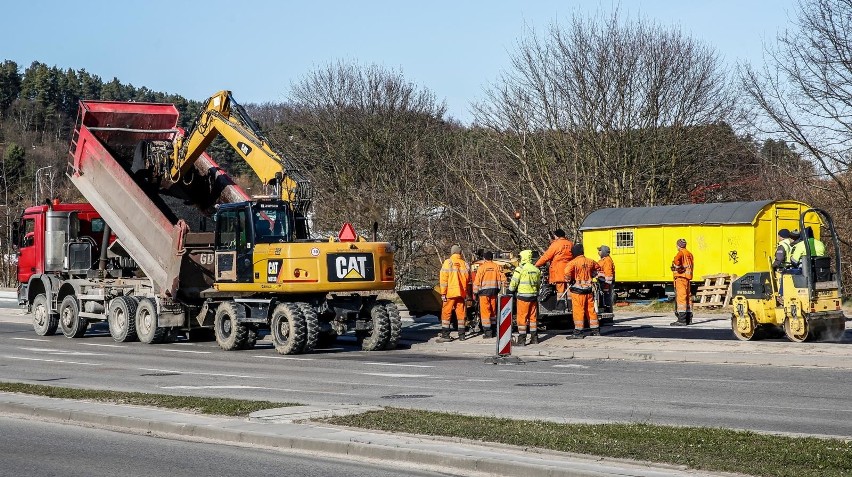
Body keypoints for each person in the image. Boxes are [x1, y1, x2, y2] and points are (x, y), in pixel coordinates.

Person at [564, 243, 602, 339]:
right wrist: (592, 275)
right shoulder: (590, 261)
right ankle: (595, 330)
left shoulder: (573, 263)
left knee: (578, 311)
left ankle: (578, 332)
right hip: (588, 290)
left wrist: (569, 280)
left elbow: (566, 273)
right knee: (591, 310)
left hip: (577, 291)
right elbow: (598, 268)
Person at [438, 244, 471, 342]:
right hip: (461, 293)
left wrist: (443, 293)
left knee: (446, 313)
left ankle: (445, 335)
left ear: (452, 252)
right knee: (461, 314)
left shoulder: (448, 262)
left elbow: (444, 279)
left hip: (450, 293)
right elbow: (468, 279)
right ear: (460, 253)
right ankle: (462, 335)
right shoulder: (464, 264)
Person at [508, 249, 542, 346]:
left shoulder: (520, 269)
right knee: (533, 318)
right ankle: (534, 338)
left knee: (522, 318)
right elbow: (538, 284)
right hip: (533, 296)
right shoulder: (536, 269)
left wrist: (510, 290)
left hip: (523, 297)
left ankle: (522, 340)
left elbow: (514, 282)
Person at [534, 229, 574, 305]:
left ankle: (561, 306)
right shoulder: (570, 244)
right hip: (569, 270)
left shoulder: (556, 244)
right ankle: (570, 306)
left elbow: (546, 257)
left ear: (557, 236)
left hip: (558, 271)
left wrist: (536, 265)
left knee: (560, 290)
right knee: (569, 289)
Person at [472, 251, 505, 339]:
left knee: (485, 312)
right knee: (493, 311)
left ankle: (488, 332)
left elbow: (477, 281)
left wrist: (475, 292)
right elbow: (503, 278)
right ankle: (494, 330)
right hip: (494, 292)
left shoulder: (482, 268)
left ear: (484, 258)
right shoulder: (497, 266)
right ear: (492, 257)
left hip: (484, 293)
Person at [670, 238, 694, 326]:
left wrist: (676, 268)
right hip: (687, 279)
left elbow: (676, 262)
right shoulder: (689, 254)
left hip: (680, 278)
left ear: (678, 245)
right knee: (688, 298)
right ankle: (689, 318)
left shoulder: (680, 253)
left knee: (681, 298)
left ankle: (682, 320)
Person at [596, 245, 616, 317]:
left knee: (606, 299)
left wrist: (599, 275)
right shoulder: (603, 260)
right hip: (603, 282)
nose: (598, 252)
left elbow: (608, 275)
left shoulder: (607, 261)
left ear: (603, 252)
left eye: (600, 250)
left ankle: (608, 314)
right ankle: (605, 312)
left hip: (606, 283)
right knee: (603, 299)